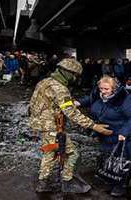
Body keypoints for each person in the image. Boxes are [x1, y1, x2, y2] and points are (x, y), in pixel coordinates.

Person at [29, 58, 113, 193]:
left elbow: (35, 103)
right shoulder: (60, 89)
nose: (75, 78)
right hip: (51, 127)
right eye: (74, 75)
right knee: (73, 153)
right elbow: (72, 114)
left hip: (41, 124)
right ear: (67, 73)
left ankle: (42, 184)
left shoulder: (44, 82)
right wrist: (94, 126)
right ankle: (67, 182)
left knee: (50, 152)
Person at [77, 75, 131, 197]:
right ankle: (108, 176)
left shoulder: (125, 99)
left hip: (125, 135)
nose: (103, 91)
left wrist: (124, 132)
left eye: (106, 89)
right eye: (101, 88)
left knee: (122, 159)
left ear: (114, 88)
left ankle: (121, 184)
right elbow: (90, 99)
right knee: (109, 155)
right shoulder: (98, 94)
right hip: (107, 133)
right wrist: (78, 102)